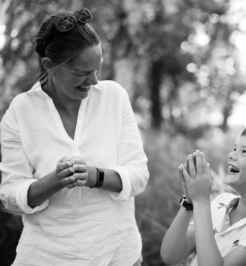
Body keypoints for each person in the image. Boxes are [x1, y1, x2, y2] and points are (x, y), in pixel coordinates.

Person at [0, 8, 149, 266]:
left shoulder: (114, 97)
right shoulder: (20, 111)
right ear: (49, 65)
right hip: (46, 257)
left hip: (118, 254)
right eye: (81, 73)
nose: (92, 81)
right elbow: (10, 196)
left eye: (98, 69)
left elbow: (139, 175)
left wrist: (94, 176)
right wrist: (55, 180)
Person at [161, 123, 246, 266]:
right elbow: (170, 255)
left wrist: (201, 201)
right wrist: (190, 202)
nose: (232, 155)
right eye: (235, 148)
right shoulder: (221, 202)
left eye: (244, 152)